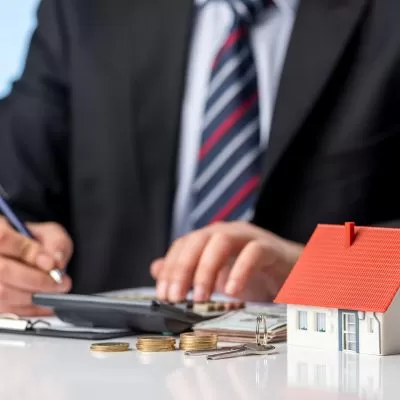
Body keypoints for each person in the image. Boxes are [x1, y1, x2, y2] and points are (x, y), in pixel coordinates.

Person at [0, 0, 399, 316]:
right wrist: (13, 255)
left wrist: (313, 271)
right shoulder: (85, 9)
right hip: (101, 374)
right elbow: (15, 191)